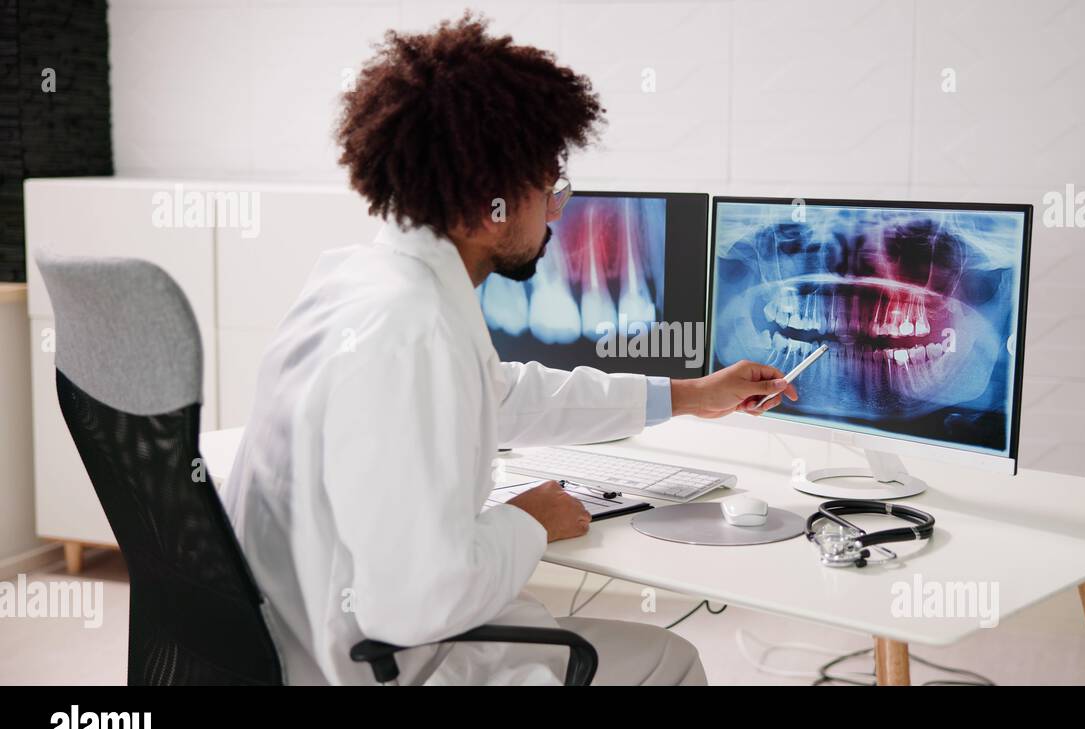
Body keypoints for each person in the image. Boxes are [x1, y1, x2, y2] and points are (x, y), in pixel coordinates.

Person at [220, 13, 797, 685]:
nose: (555, 212)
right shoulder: (416, 331)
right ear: (482, 203)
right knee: (669, 660)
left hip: (298, 638)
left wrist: (688, 395)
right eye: (547, 189)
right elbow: (412, 601)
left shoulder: (360, 281)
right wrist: (528, 522)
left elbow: (505, 398)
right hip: (375, 663)